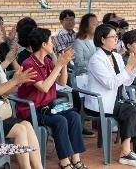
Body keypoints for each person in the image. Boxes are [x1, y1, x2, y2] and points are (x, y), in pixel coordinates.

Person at [16, 28, 87, 169]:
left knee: (74, 116)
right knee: (60, 121)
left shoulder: (47, 61)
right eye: (50, 41)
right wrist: (59, 64)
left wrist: (64, 65)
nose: (53, 43)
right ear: (43, 44)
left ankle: (75, 158)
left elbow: (62, 82)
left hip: (49, 106)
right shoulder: (28, 64)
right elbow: (44, 87)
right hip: (32, 110)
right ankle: (64, 161)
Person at [85, 24, 136, 166]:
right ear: (103, 39)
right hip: (100, 103)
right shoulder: (95, 60)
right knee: (130, 110)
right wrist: (129, 66)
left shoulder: (116, 56)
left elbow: (127, 81)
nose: (116, 39)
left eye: (117, 36)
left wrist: (133, 65)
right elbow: (110, 84)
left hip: (116, 99)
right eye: (113, 37)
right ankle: (125, 152)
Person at [0, 21, 42, 169]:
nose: (2, 31)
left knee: (27, 125)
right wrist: (14, 80)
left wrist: (18, 82)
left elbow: (5, 89)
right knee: (21, 129)